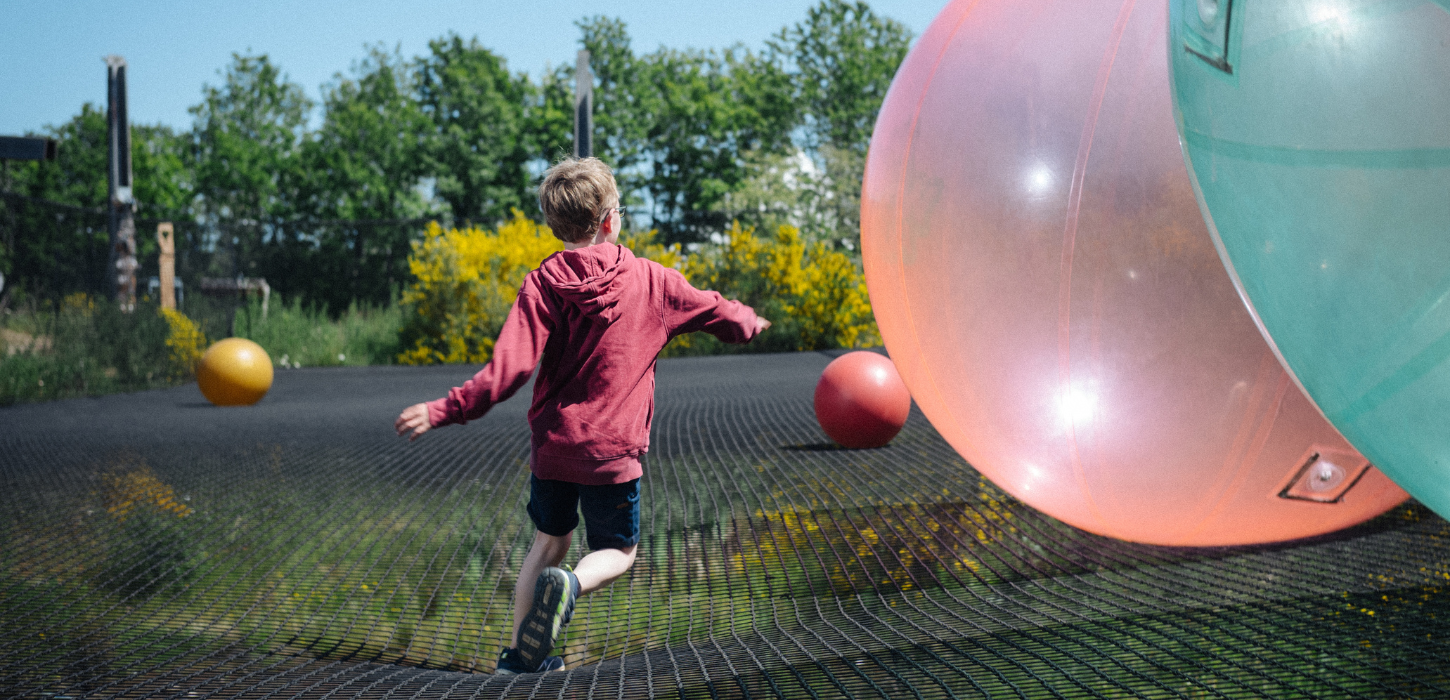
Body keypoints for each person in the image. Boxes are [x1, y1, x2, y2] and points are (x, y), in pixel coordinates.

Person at [394, 157, 770, 675]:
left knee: (547, 543)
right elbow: (716, 311)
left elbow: (507, 371)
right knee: (618, 550)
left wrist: (444, 409)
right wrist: (749, 322)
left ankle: (517, 660)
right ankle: (571, 585)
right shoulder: (653, 281)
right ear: (612, 220)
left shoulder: (542, 283)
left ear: (554, 225)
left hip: (553, 447)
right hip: (612, 454)